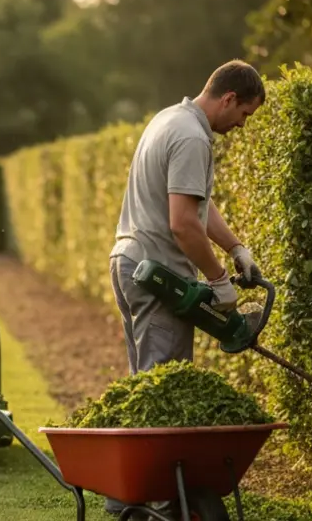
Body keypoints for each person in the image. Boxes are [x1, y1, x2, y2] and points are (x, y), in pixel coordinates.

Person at [108, 59, 267, 377]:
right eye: (244, 114)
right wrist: (219, 280)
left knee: (145, 382)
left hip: (129, 263)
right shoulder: (192, 138)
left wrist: (236, 249)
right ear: (228, 99)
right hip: (159, 278)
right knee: (165, 385)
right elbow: (182, 223)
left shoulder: (167, 119)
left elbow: (195, 205)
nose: (241, 125)